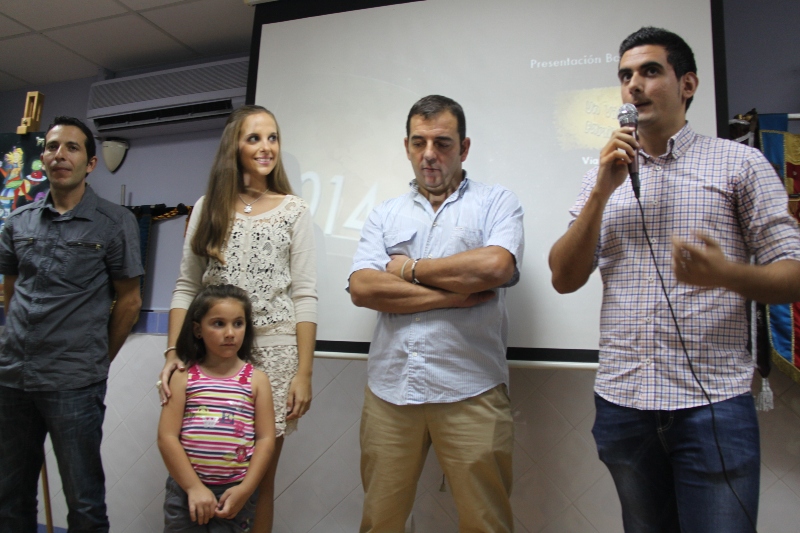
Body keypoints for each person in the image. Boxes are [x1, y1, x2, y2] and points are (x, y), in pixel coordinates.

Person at [549, 27, 800, 532]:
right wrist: (601, 191)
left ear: (687, 84)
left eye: (649, 71)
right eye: (625, 75)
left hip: (712, 406)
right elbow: (563, 277)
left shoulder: (740, 164)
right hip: (623, 403)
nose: (634, 85)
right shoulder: (602, 174)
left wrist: (727, 275)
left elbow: (792, 275)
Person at [348, 94, 524, 532]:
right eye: (419, 142)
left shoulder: (496, 202)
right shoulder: (384, 214)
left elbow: (495, 267)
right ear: (407, 146)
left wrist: (408, 269)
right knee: (379, 523)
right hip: (390, 393)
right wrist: (451, 296)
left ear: (464, 147)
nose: (429, 154)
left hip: (471, 389)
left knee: (487, 524)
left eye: (442, 143)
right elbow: (363, 288)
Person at [159, 105, 317, 532]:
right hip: (211, 356)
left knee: (258, 481)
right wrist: (173, 351)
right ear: (235, 147)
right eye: (254, 138)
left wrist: (304, 372)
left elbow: (304, 294)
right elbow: (186, 286)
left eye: (273, 137)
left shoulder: (293, 210)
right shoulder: (207, 207)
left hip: (275, 356)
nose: (266, 147)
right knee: (199, 463)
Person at [0, 116, 143, 531]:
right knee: (10, 500)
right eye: (52, 147)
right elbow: (10, 289)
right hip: (14, 378)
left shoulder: (114, 221)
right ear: (43, 157)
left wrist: (97, 359)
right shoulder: (19, 221)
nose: (59, 155)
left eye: (72, 147)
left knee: (84, 505)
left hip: (75, 382)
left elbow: (129, 302)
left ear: (90, 163)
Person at [158, 284, 276, 532]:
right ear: (197, 329)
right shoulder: (183, 377)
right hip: (186, 492)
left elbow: (266, 439)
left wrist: (246, 489)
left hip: (235, 494)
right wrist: (193, 487)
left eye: (238, 323)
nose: (230, 333)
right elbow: (166, 437)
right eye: (219, 324)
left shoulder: (257, 381)